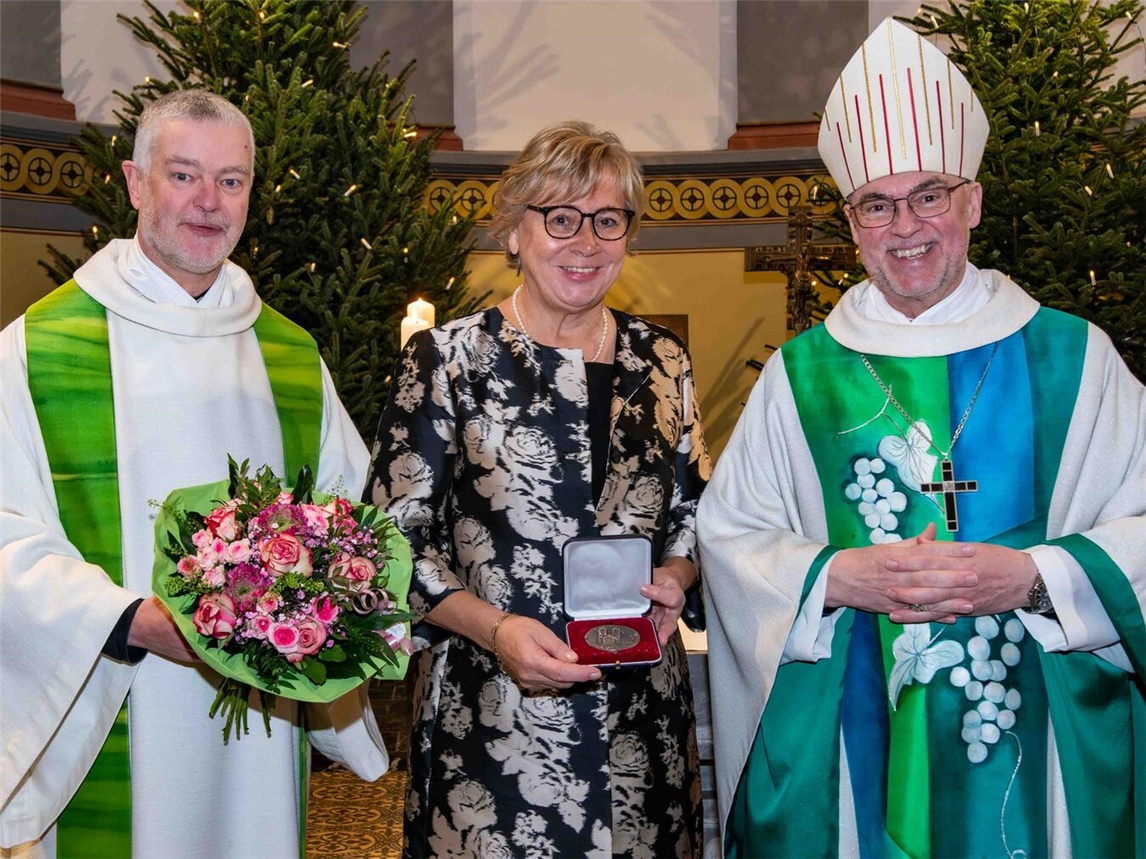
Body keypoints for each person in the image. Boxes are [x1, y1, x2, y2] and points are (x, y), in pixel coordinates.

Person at [699, 18, 1144, 859]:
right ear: (852, 221)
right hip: (851, 728)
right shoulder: (800, 376)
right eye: (878, 203)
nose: (907, 226)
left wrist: (1034, 574)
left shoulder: (1076, 358)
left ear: (971, 200)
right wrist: (836, 575)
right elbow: (730, 537)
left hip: (1038, 728)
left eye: (929, 194)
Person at [0, 90, 388, 859]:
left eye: (232, 180)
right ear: (135, 183)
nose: (209, 203)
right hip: (115, 683)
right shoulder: (36, 348)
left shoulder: (289, 355)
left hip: (260, 714)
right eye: (183, 175)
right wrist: (129, 620)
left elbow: (358, 526)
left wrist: (332, 606)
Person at [367, 120, 711, 858]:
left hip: (640, 722)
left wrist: (678, 578)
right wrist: (495, 629)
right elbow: (393, 537)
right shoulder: (449, 359)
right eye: (560, 217)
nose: (585, 241)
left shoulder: (664, 360)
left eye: (608, 219)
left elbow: (693, 511)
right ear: (514, 232)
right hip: (491, 722)